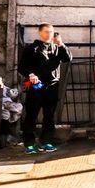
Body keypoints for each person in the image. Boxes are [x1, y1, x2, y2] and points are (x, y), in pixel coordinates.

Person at [17, 23, 72, 155]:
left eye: (51, 32)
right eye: (46, 32)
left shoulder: (57, 48)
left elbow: (68, 58)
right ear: (40, 32)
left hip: (52, 86)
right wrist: (30, 75)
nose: (49, 34)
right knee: (31, 115)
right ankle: (29, 143)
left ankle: (46, 141)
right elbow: (22, 67)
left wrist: (61, 44)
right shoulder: (31, 48)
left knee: (49, 116)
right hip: (36, 87)